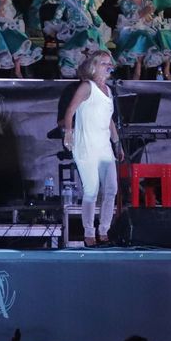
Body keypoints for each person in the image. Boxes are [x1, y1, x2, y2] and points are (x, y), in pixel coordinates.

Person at [62, 49, 122, 246]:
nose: (108, 66)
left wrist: (116, 143)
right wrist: (69, 133)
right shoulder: (87, 87)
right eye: (104, 63)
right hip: (86, 146)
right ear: (94, 66)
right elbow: (70, 110)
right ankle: (89, 232)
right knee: (91, 190)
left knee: (111, 188)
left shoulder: (109, 91)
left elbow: (109, 119)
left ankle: (104, 230)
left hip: (104, 147)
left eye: (109, 63)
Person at [44, 0, 108, 78]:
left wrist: (99, 23)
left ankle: (91, 70)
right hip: (72, 28)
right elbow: (58, 14)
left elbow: (93, 13)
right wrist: (52, 27)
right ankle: (78, 70)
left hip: (87, 26)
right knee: (83, 37)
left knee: (93, 36)